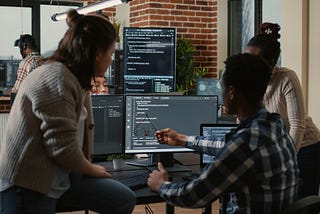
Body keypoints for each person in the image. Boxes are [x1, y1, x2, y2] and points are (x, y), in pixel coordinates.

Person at [0, 10, 136, 214]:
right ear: (98, 54)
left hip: (64, 175)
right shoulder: (57, 78)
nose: (111, 60)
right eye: (110, 53)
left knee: (123, 199)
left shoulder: (75, 78)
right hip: (28, 183)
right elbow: (61, 148)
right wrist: (93, 169)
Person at [148, 53, 299, 214]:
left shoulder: (245, 143)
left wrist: (161, 186)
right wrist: (182, 139)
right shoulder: (275, 126)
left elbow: (194, 195)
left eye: (223, 88)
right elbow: (226, 147)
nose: (222, 95)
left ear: (232, 91)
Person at [245, 22, 320, 198]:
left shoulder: (286, 78)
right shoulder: (248, 79)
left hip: (305, 148)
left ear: (270, 62)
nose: (247, 65)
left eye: (253, 61)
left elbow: (297, 125)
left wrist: (284, 160)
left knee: (300, 204)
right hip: (277, 149)